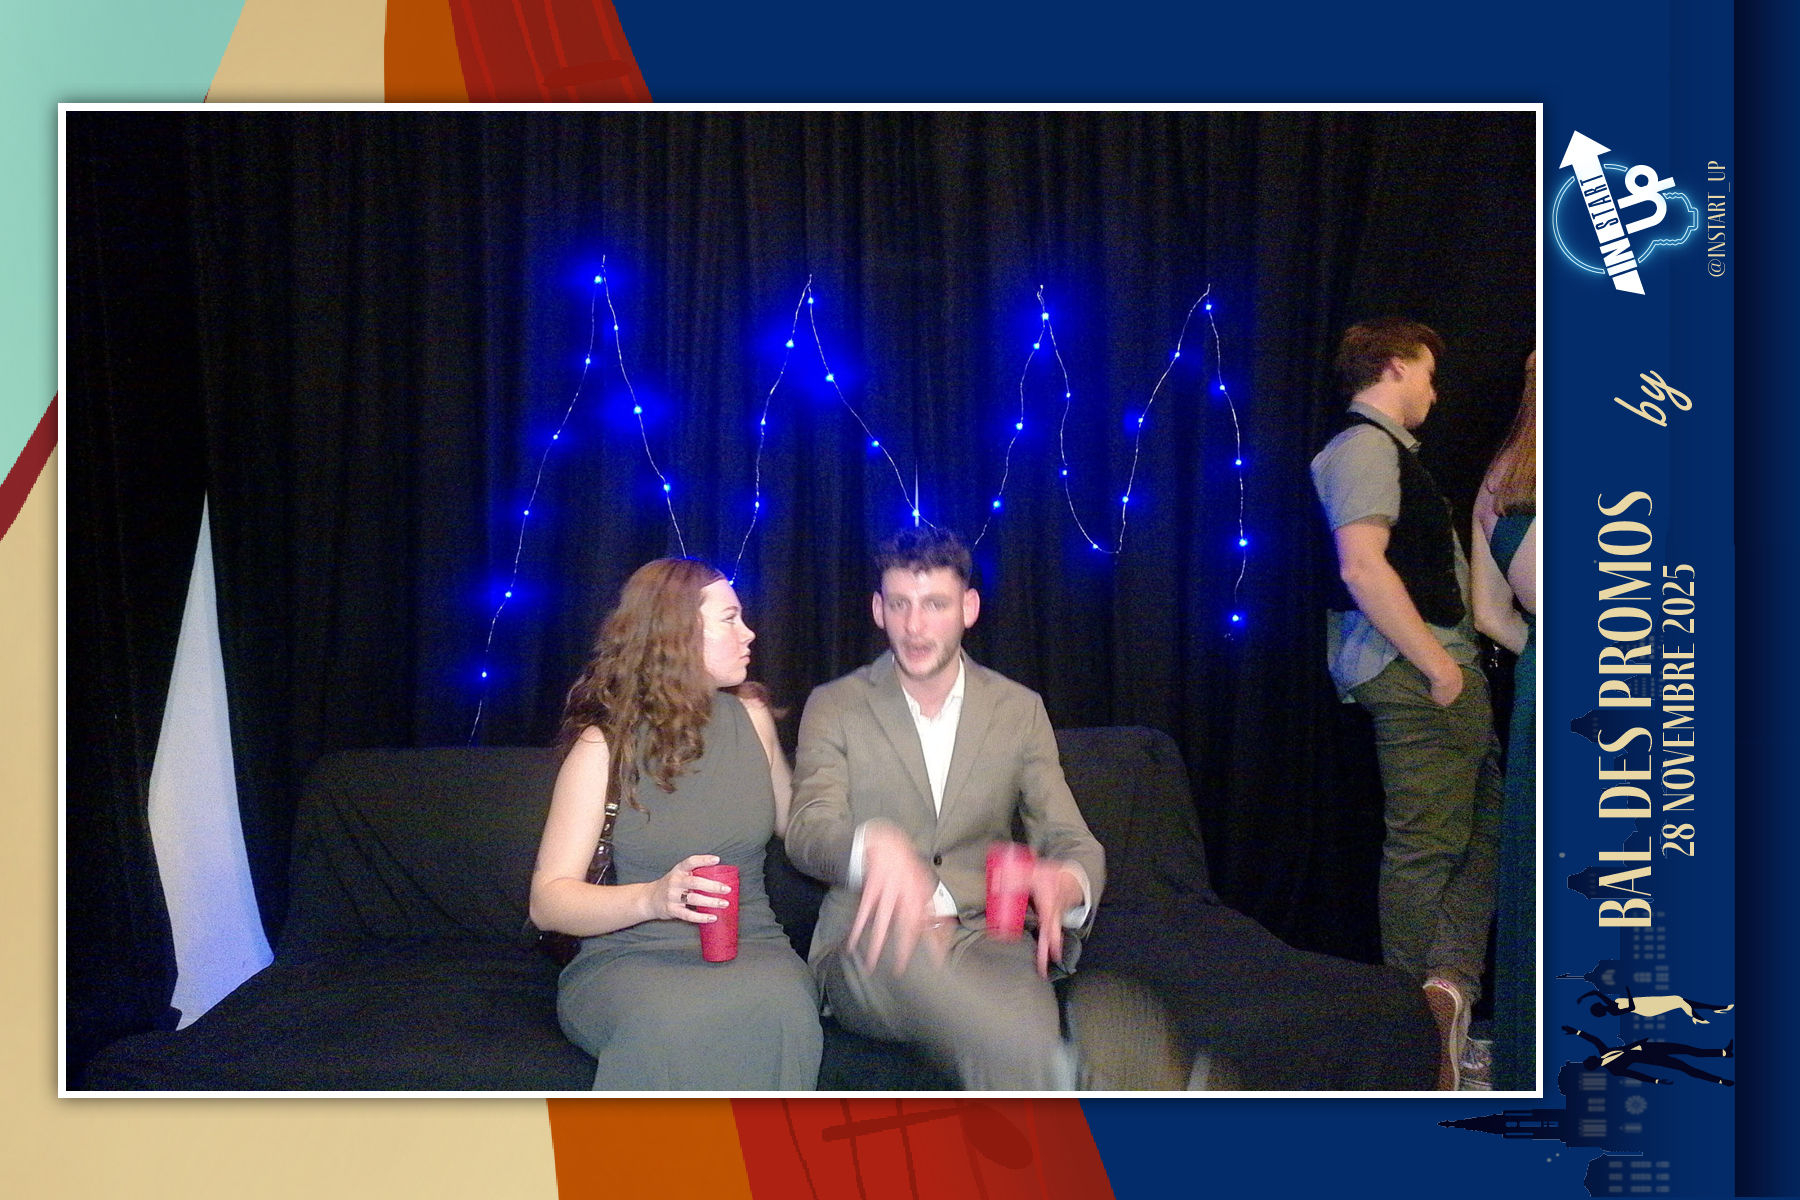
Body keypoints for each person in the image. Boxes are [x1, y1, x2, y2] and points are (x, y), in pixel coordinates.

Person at [784, 527, 1108, 1089]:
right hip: (873, 940)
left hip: (990, 939)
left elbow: (1071, 838)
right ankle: (1090, 1086)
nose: (915, 626)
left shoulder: (1019, 709)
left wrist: (1066, 884)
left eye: (935, 604)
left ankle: (1053, 1087)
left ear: (969, 609)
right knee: (975, 1013)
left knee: (1016, 1035)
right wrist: (871, 846)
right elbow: (808, 829)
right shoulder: (833, 705)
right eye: (900, 605)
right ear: (878, 610)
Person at [529, 557, 822, 1090]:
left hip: (753, 944)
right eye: (730, 619)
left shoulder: (752, 718)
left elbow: (799, 823)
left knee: (786, 1008)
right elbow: (548, 902)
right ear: (678, 634)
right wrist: (652, 898)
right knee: (670, 1022)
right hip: (630, 956)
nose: (749, 633)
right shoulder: (604, 746)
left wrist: (879, 835)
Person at [1310, 318, 1502, 1090]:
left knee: (1480, 834)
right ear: (1393, 367)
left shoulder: (1387, 451)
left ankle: (1445, 994)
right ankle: (1412, 1040)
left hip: (1436, 670)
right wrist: (1438, 668)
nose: (1434, 391)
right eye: (1426, 372)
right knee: (1427, 847)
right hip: (1417, 673)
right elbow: (1361, 567)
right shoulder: (1363, 446)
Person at [1472, 350, 1538, 1092]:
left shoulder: (1497, 483)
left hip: (1541, 690)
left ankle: (1528, 1060)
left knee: (1536, 873)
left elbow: (1490, 616)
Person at [1562, 1026, 1734, 1087]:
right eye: (1590, 1060)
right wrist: (1656, 1081)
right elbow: (1636, 1075)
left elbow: (1593, 1039)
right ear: (1594, 1064)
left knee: (1690, 1050)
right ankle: (1720, 1080)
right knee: (1685, 1068)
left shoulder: (1603, 1050)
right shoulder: (1614, 1070)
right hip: (1654, 1059)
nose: (1592, 1057)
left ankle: (1723, 1053)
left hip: (1652, 1047)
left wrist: (1576, 1032)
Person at [1574, 984, 1734, 1025]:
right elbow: (1631, 1008)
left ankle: (1715, 1009)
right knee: (1678, 1000)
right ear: (1600, 1010)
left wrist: (1582, 997)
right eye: (1597, 1006)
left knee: (1680, 1000)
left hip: (1645, 1002)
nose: (1599, 1004)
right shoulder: (1614, 1011)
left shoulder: (1610, 1004)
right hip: (1646, 1008)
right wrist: (1628, 993)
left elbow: (1595, 993)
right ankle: (1697, 1015)